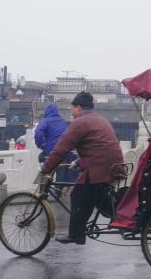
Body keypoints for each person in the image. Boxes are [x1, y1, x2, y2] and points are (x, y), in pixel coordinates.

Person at [41, 92, 124, 245]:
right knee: (98, 198)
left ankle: (76, 235)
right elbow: (96, 146)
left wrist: (47, 167)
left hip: (99, 167)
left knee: (78, 195)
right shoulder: (100, 119)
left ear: (78, 107)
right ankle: (124, 216)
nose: (71, 112)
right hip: (112, 165)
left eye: (72, 108)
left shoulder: (80, 122)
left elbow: (62, 148)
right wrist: (79, 161)